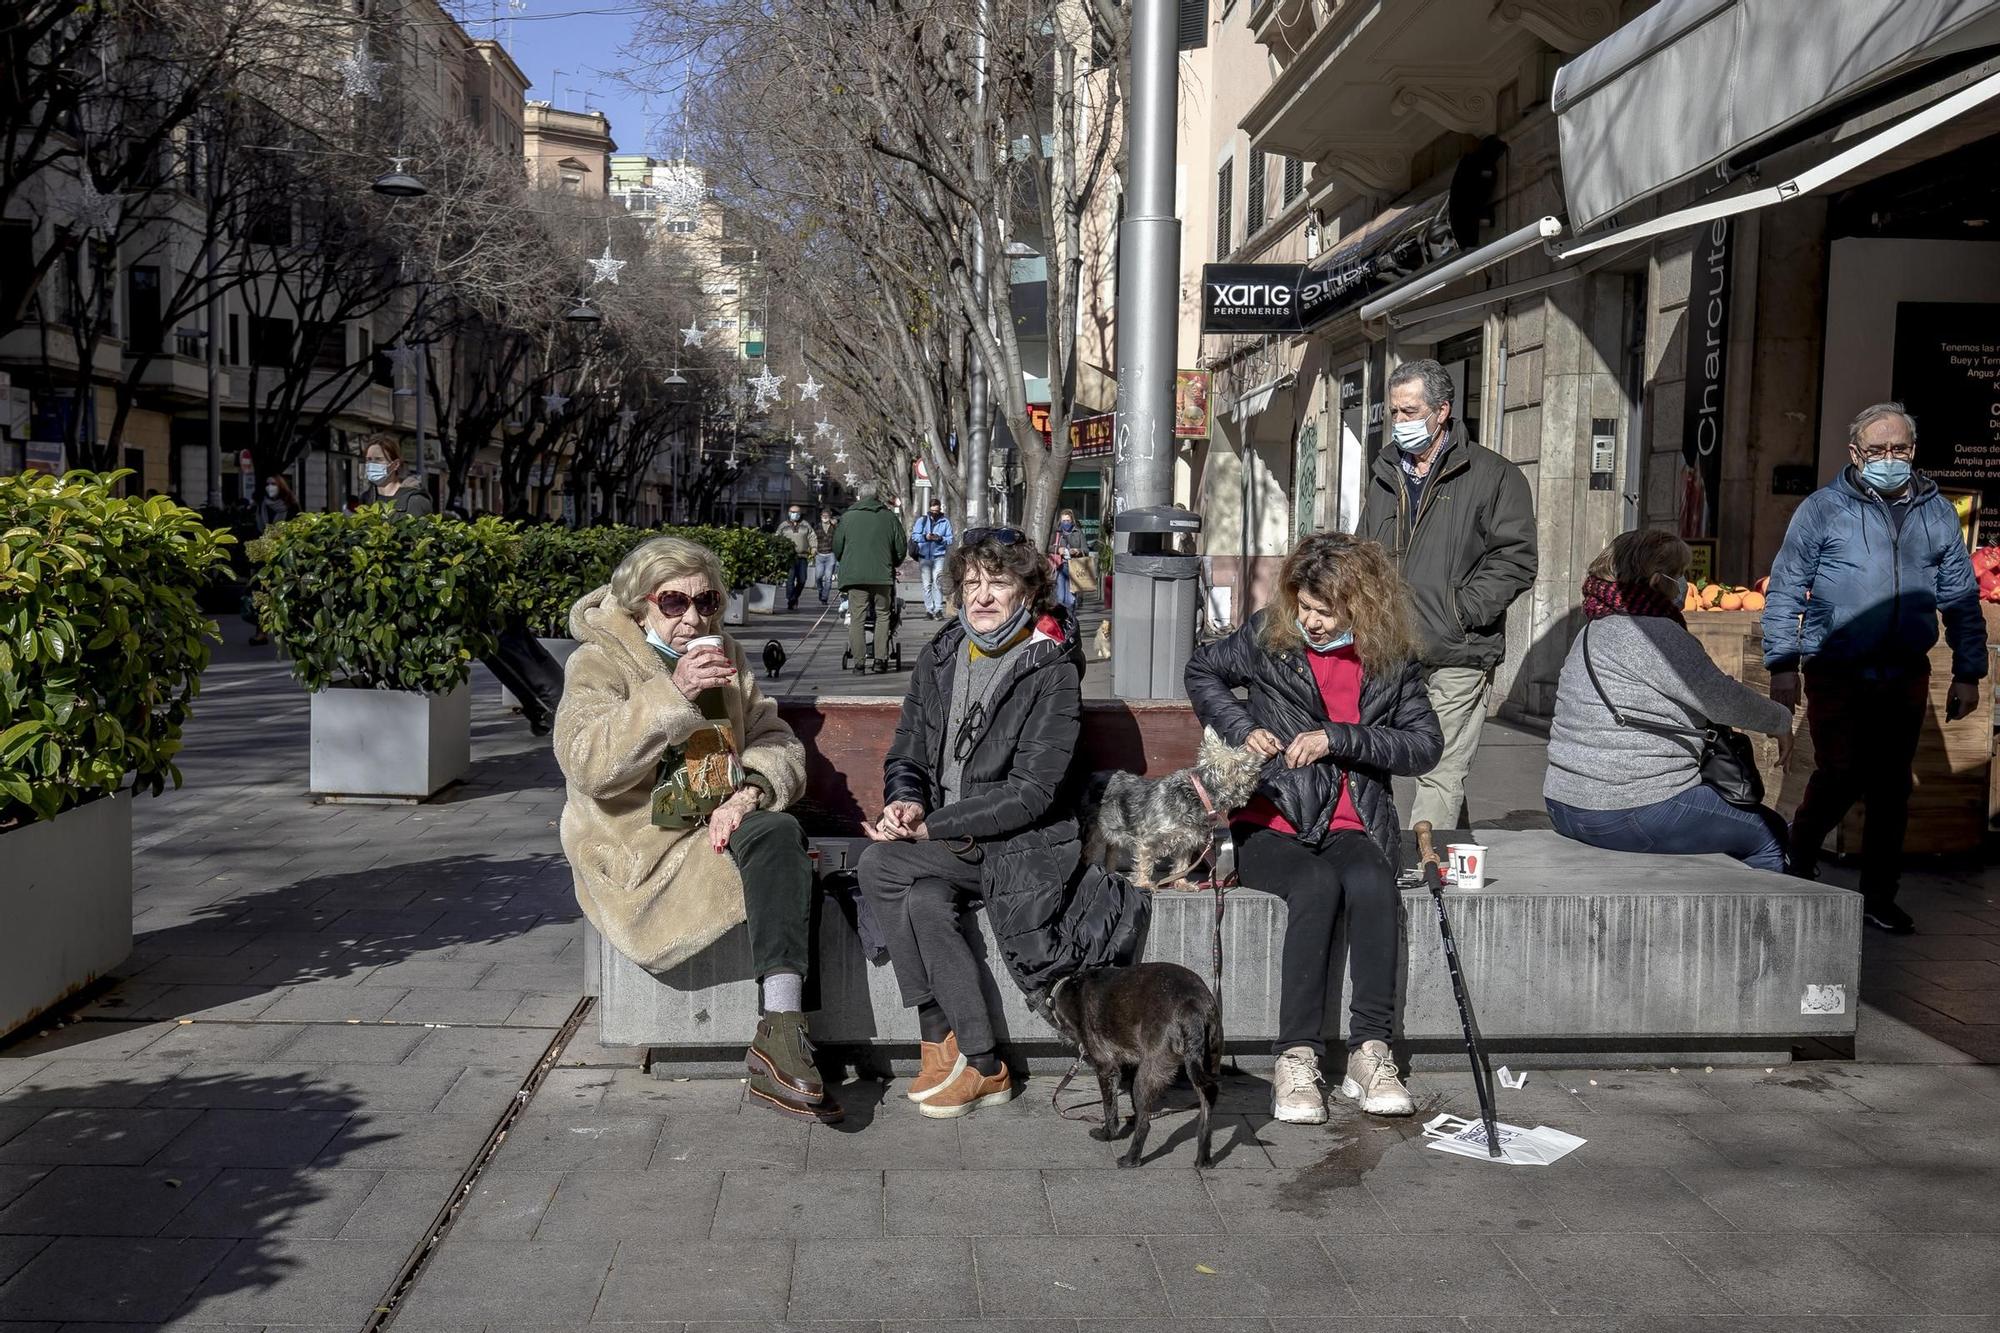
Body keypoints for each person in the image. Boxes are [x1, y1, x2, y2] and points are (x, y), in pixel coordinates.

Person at [553, 536, 832, 1120]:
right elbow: (586, 762)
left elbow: (772, 736)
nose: (693, 618)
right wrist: (672, 693)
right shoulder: (598, 661)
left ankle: (782, 1029)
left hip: (717, 817)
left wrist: (753, 790)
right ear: (640, 606)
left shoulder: (725, 651)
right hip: (639, 845)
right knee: (782, 859)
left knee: (779, 834)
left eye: (706, 603)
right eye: (673, 603)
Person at [1185, 532, 1442, 1124]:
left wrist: (1339, 737)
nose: (1312, 622)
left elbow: (1424, 745)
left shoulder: (1390, 662)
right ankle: (1295, 1056)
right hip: (1271, 817)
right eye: (1303, 607)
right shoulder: (1267, 636)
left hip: (1353, 823)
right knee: (1316, 887)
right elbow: (1203, 671)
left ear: (1362, 607)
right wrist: (1240, 724)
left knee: (1373, 884)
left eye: (1326, 612)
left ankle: (1369, 1052)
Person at [859, 526, 1108, 1118]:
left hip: (1022, 844)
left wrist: (931, 827)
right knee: (921, 900)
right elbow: (908, 751)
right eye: (971, 583)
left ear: (1029, 591)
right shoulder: (944, 652)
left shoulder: (1051, 671)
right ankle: (975, 1058)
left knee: (878, 862)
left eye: (998, 582)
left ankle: (943, 1038)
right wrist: (906, 801)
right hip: (949, 840)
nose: (982, 596)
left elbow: (1031, 794)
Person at [1763, 402, 1987, 935]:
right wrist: (1781, 664)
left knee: (1891, 787)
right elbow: (1787, 587)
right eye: (1878, 450)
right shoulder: (1822, 509)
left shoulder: (1936, 514)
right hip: (1835, 666)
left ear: (1913, 451)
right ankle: (1798, 855)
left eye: (1900, 449)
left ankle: (1879, 896)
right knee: (1840, 771)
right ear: (1856, 455)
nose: (1890, 458)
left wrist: (1968, 672)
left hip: (1904, 670)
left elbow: (1960, 597)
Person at [1545, 530, 1794, 872]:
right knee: (1769, 833)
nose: (1685, 585)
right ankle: (1763, 926)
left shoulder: (1593, 629)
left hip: (1564, 801)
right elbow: (1719, 698)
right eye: (1678, 575)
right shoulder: (1652, 632)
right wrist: (1779, 721)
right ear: (1655, 580)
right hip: (1628, 807)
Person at [1359, 358, 1536, 832]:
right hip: (1389, 646)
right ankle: (1441, 846)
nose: (1400, 423)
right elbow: (1363, 554)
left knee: (1440, 764)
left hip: (1458, 647)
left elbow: (1516, 559)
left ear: (1442, 411)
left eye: (1410, 411)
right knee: (1379, 755)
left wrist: (1460, 612)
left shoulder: (1494, 476)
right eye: (1394, 412)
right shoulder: (1384, 473)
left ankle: (1424, 865)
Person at [833, 481, 905, 673]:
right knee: (883, 615)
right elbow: (900, 548)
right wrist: (894, 564)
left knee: (857, 617)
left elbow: (837, 547)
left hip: (855, 576)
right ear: (876, 497)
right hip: (882, 575)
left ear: (859, 497)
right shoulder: (889, 517)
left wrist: (847, 561)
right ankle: (880, 660)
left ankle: (858, 663)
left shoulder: (847, 518)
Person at [360, 435, 432, 515]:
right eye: (369, 459)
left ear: (396, 464)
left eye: (378, 459)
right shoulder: (367, 498)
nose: (372, 464)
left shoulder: (415, 500)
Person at [912, 497, 955, 619]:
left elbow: (950, 539)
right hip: (924, 557)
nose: (935, 513)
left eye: (937, 511)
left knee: (937, 583)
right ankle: (929, 610)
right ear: (929, 510)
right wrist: (925, 537)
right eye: (933, 511)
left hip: (939, 556)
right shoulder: (922, 520)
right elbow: (915, 536)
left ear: (940, 509)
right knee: (927, 585)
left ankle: (938, 609)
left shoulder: (945, 522)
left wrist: (940, 538)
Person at [776, 504, 818, 612]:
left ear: (800, 514)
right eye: (792, 512)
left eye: (797, 512)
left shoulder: (805, 525)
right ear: (789, 513)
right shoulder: (783, 525)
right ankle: (791, 599)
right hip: (789, 557)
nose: (795, 514)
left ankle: (794, 597)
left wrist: (813, 548)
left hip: (802, 556)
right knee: (790, 580)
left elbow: (812, 536)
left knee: (802, 579)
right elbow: (777, 538)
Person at [1052, 509, 1086, 610]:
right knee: (1060, 597)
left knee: (1071, 599)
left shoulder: (1078, 532)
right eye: (1063, 521)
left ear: (1072, 521)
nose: (1065, 523)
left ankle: (1071, 620)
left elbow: (1086, 549)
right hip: (1060, 566)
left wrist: (1078, 551)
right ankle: (1062, 621)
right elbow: (1049, 547)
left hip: (1074, 567)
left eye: (1068, 520)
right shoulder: (1057, 533)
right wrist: (1058, 549)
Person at [812, 507, 839, 605]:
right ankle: (821, 591)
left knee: (828, 578)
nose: (825, 517)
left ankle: (824, 597)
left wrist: (836, 524)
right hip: (819, 555)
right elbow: (812, 539)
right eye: (823, 515)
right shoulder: (817, 527)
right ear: (820, 516)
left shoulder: (834, 527)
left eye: (827, 515)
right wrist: (813, 549)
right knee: (818, 577)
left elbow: (840, 535)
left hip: (831, 555)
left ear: (830, 517)